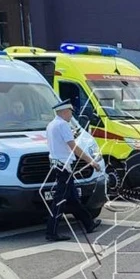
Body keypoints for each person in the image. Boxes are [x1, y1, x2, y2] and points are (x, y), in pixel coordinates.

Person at [45, 100, 102, 242]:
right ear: (64, 111)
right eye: (70, 112)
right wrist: (92, 162)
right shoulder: (63, 125)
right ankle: (51, 232)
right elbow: (73, 147)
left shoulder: (51, 125)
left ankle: (89, 223)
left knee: (73, 198)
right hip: (64, 166)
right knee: (60, 200)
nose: (71, 114)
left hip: (58, 165)